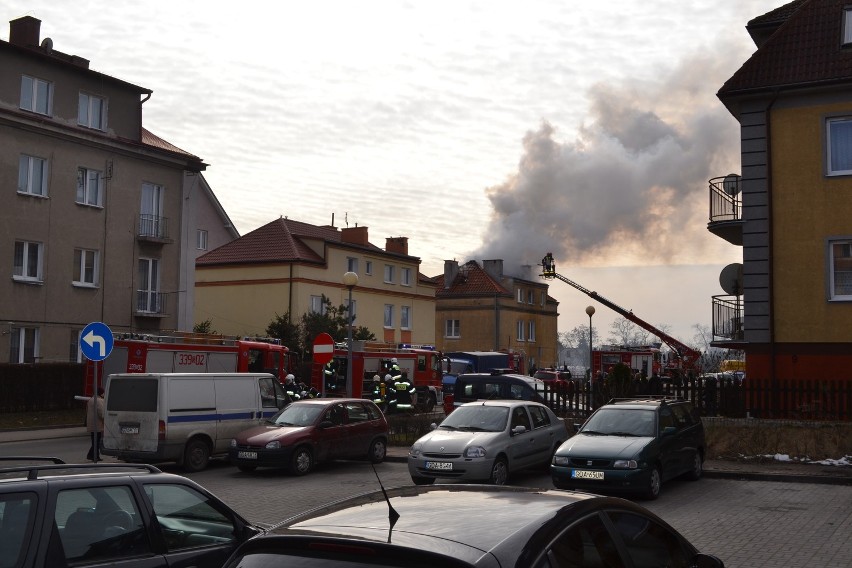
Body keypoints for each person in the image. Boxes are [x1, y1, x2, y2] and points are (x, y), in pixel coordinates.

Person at [86, 387, 105, 462]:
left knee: (94, 441)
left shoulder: (91, 400)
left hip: (91, 424)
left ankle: (93, 455)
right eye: (103, 392)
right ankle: (94, 456)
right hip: (97, 424)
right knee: (97, 442)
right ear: (100, 393)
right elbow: (101, 413)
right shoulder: (99, 401)